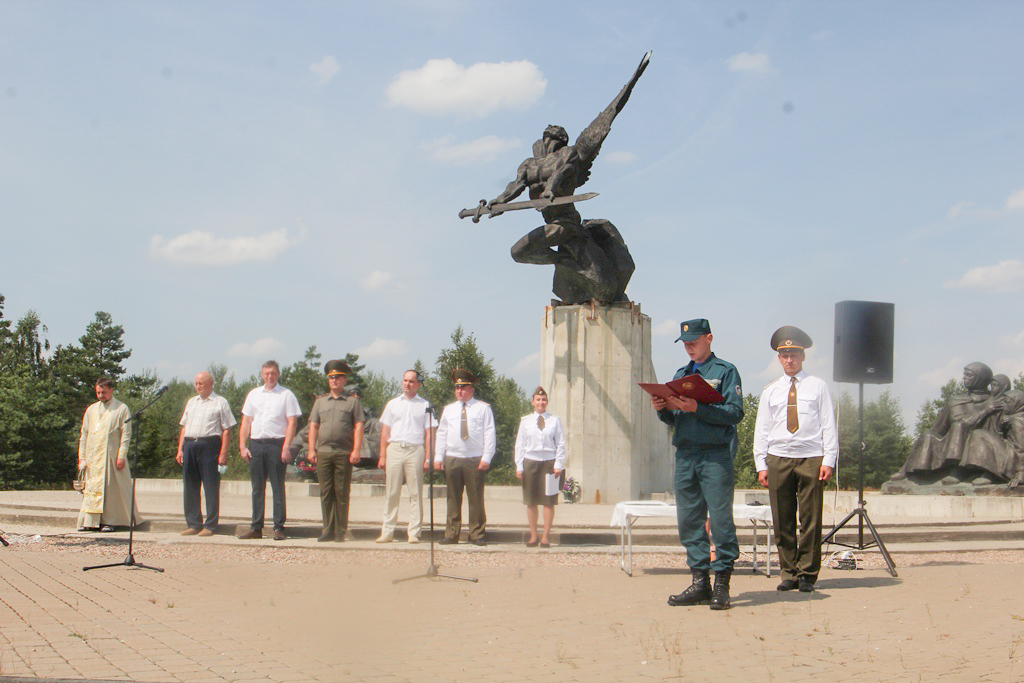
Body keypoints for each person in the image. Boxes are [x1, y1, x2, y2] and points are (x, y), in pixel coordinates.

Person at [651, 319, 743, 610]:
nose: (689, 347)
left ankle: (722, 584)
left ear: (709, 339)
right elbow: (675, 421)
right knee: (689, 520)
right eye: (685, 343)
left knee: (720, 519)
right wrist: (663, 410)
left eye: (694, 341)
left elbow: (734, 412)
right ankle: (700, 582)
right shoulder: (681, 374)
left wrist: (698, 408)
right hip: (686, 454)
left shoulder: (725, 371)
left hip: (715, 455)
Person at [753, 327, 838, 593]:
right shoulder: (771, 391)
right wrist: (761, 464)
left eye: (794, 355)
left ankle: (807, 574)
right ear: (779, 359)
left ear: (803, 356)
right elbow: (762, 429)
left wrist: (829, 459)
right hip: (779, 458)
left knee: (811, 519)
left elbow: (828, 425)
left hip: (811, 457)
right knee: (783, 518)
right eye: (785, 355)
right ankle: (788, 572)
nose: (789, 360)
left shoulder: (818, 386)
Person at [238, 360, 301, 541]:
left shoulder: (286, 395)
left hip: (276, 445)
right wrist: (243, 446)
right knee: (257, 488)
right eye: (266, 373)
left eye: (273, 373)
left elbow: (292, 423)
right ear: (262, 374)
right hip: (257, 444)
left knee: (277, 487)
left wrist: (286, 447)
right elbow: (246, 422)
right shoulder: (254, 394)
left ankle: (278, 527)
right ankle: (256, 527)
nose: (270, 376)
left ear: (278, 374)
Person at [434, 368, 496, 546]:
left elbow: (489, 434)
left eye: (463, 388)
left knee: (475, 498)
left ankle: (476, 534)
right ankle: (452, 533)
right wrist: (439, 456)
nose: (459, 391)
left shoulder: (483, 408)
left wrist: (487, 457)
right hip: (453, 457)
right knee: (453, 498)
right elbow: (442, 433)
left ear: (471, 390)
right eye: (457, 388)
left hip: (474, 458)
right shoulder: (449, 410)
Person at [376, 370, 436, 544]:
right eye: (405, 380)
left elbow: (430, 433)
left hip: (415, 449)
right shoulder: (392, 404)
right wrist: (382, 455)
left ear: (418, 384)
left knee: (415, 492)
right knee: (391, 491)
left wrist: (428, 458)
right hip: (394, 448)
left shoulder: (425, 404)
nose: (408, 384)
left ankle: (414, 532)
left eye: (412, 381)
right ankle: (387, 531)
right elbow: (385, 432)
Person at [308, 360, 364, 542]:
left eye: (338, 378)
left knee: (341, 492)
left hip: (343, 452)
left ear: (344, 380)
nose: (334, 381)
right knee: (325, 492)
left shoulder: (352, 402)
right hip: (323, 451)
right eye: (331, 378)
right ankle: (327, 529)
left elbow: (359, 426)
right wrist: (311, 450)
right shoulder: (320, 402)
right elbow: (314, 427)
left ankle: (340, 531)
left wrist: (356, 450)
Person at [77, 377, 142, 531]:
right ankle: (90, 521)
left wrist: (121, 455)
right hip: (93, 458)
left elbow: (126, 434)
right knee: (91, 490)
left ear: (111, 390)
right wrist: (81, 457)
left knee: (111, 489)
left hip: (110, 456)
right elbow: (84, 434)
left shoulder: (121, 409)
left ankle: (110, 521)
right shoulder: (91, 410)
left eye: (104, 392)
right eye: (98, 392)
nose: (101, 395)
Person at [175, 371, 236, 536]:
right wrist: (180, 449)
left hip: (209, 445)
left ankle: (210, 525)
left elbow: (227, 429)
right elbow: (184, 427)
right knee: (190, 485)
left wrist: (223, 453)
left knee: (210, 485)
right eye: (196, 383)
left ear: (210, 384)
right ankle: (193, 523)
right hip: (190, 444)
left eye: (201, 383)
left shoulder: (220, 402)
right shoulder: (191, 402)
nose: (198, 386)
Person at [514, 386, 567, 548]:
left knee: (548, 502)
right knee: (531, 501)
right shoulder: (526, 421)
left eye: (543, 400)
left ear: (547, 402)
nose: (541, 402)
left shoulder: (555, 421)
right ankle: (533, 536)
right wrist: (519, 466)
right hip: (531, 462)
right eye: (538, 399)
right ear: (533, 402)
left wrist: (559, 464)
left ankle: (545, 537)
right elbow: (520, 445)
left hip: (550, 464)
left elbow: (561, 444)